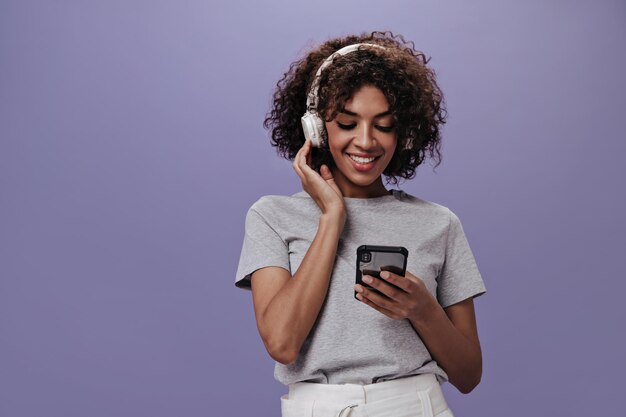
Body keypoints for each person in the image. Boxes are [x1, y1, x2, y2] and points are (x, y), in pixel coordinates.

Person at [235, 30, 486, 417]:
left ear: (405, 133)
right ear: (316, 127)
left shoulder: (439, 223)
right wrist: (332, 218)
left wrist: (422, 309)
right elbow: (283, 343)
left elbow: (468, 375)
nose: (366, 142)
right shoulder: (271, 217)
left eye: (383, 125)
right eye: (347, 123)